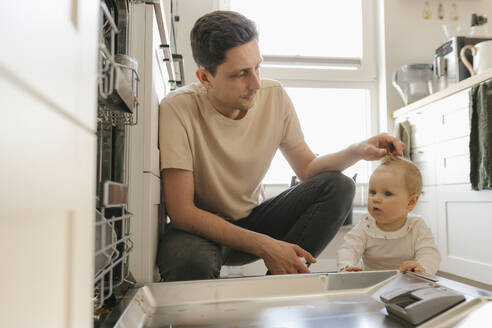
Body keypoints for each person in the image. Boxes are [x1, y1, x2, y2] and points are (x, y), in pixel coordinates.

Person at [157, 10, 404, 282]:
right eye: (240, 74)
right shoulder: (177, 108)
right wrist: (266, 246)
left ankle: (276, 287)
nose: (256, 84)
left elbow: (308, 168)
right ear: (205, 78)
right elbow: (182, 212)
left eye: (257, 67)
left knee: (340, 186)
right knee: (183, 258)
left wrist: (356, 151)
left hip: (254, 218)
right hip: (201, 229)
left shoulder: (274, 97)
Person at [336, 156, 441, 275]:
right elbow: (349, 249)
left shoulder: (417, 227)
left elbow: (430, 253)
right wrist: (347, 266)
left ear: (410, 202)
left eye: (387, 193)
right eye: (373, 192)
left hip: (409, 281)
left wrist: (422, 267)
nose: (375, 199)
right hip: (373, 283)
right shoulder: (366, 225)